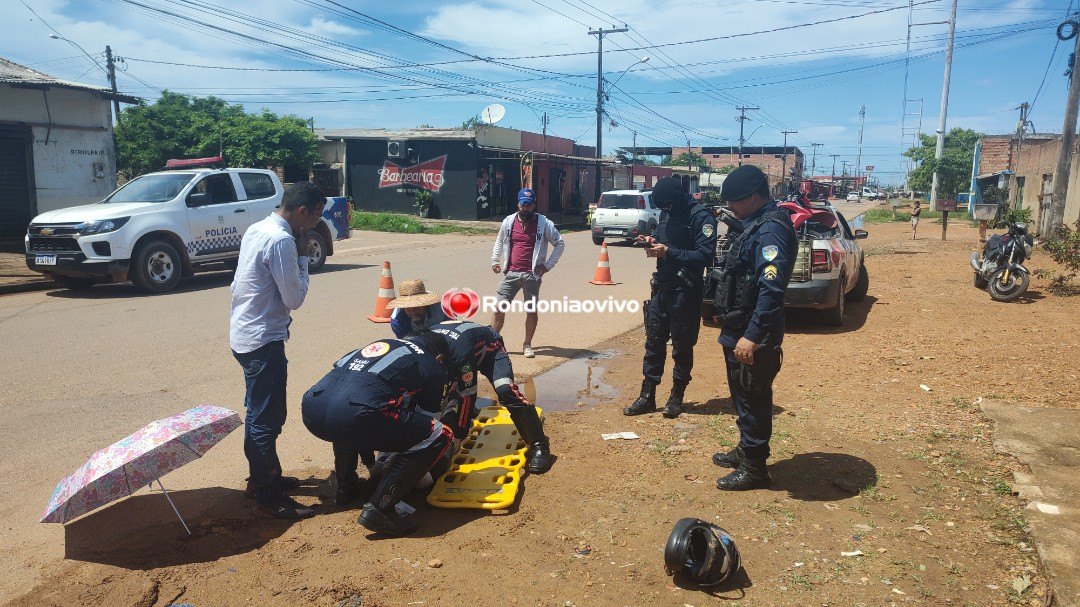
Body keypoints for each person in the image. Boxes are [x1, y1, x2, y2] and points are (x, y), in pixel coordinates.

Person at [230, 181, 326, 519]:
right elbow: (294, 298)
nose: (315, 224)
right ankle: (269, 496)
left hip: (244, 334)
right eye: (315, 217)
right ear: (302, 211)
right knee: (267, 420)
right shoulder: (283, 240)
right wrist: (303, 256)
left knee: (257, 414)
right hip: (262, 340)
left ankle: (260, 479)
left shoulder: (259, 227)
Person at [301, 333, 454, 537]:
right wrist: (417, 471)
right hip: (354, 414)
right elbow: (428, 424)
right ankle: (381, 508)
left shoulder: (379, 345)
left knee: (349, 416)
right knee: (440, 433)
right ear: (440, 358)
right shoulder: (431, 364)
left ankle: (346, 490)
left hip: (312, 408)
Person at [709, 165, 798, 491]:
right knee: (741, 394)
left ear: (752, 197)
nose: (730, 207)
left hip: (753, 331)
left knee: (753, 398)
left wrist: (753, 336)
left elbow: (771, 290)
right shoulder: (755, 224)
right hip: (739, 326)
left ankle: (755, 467)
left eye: (734, 201)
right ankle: (746, 448)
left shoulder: (771, 231)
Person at [624, 177, 717, 419]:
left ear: (675, 200)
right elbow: (664, 240)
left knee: (682, 347)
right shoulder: (667, 213)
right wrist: (652, 242)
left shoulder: (701, 217)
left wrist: (668, 252)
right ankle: (647, 396)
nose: (664, 209)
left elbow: (706, 256)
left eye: (666, 205)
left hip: (686, 292)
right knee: (653, 343)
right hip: (662, 289)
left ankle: (676, 396)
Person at [430, 319, 553, 473]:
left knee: (505, 390)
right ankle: (463, 419)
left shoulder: (460, 353)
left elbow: (468, 395)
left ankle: (539, 444)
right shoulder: (424, 347)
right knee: (447, 391)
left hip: (490, 350)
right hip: (460, 351)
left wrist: (459, 435)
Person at [490, 188, 566, 358]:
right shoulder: (509, 221)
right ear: (518, 204)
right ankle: (493, 344)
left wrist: (547, 266)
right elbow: (500, 241)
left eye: (529, 205)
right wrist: (495, 260)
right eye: (523, 204)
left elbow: (560, 244)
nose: (525, 208)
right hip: (511, 273)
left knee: (531, 310)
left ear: (534, 205)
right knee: (499, 308)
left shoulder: (544, 224)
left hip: (532, 276)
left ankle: (527, 345)